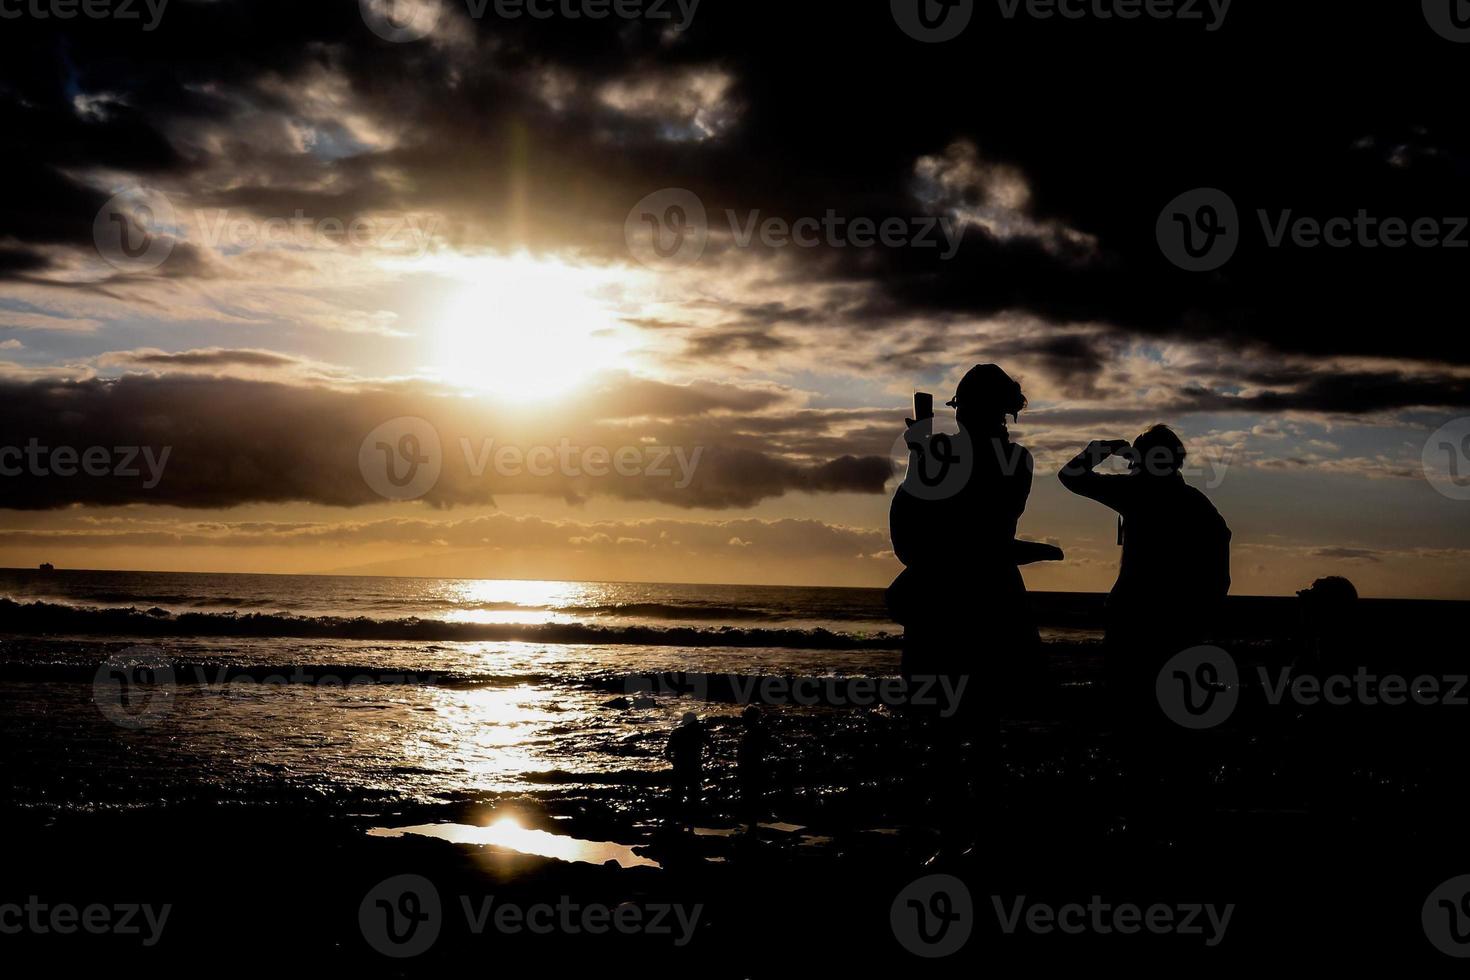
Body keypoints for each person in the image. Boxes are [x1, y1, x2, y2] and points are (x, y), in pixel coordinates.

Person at [1058, 424, 1231, 714]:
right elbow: (1221, 549)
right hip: (1181, 618)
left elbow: (1070, 476)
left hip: (1134, 615)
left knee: (1130, 703)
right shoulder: (1197, 503)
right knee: (1172, 708)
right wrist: (1209, 607)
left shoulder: (1136, 492)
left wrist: (1104, 448)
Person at [664, 712, 707, 822]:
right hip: (694, 767)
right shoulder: (699, 733)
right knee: (694, 797)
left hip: (680, 767)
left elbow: (667, 753)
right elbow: (713, 748)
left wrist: (674, 762)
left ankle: (676, 821)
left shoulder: (676, 733)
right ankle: (690, 823)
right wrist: (704, 760)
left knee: (677, 796)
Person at [737, 705, 772, 829]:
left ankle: (752, 826)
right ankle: (752, 825)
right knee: (753, 795)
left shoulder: (754, 733)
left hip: (751, 767)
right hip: (755, 766)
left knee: (750, 795)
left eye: (744, 718)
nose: (743, 721)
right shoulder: (760, 731)